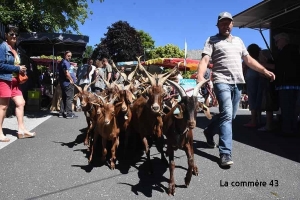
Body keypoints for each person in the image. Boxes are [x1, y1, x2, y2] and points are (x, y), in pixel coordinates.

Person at [197, 12, 275, 166]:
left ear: (232, 24)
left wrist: (264, 70)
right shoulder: (211, 40)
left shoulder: (239, 41)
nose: (226, 25)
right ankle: (225, 153)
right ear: (218, 25)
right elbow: (205, 59)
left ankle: (209, 130)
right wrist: (200, 76)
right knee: (226, 115)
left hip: (238, 82)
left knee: (230, 116)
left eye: (228, 23)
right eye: (222, 23)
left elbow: (248, 59)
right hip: (221, 81)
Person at [0, 24, 36, 141]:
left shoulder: (16, 50)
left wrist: (20, 68)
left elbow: (15, 65)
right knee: (3, 107)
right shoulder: (3, 47)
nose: (14, 36)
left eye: (16, 34)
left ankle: (21, 130)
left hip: (15, 82)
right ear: (6, 35)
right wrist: (17, 69)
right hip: (5, 80)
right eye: (11, 34)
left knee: (21, 103)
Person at [273, 32, 300, 135]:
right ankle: (292, 128)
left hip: (286, 84)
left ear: (283, 40)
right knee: (293, 108)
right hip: (294, 84)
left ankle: (287, 130)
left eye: (277, 41)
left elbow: (279, 67)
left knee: (287, 107)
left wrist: (264, 66)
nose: (276, 44)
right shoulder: (295, 51)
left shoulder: (285, 51)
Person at [243, 44, 264, 127]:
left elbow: (244, 67)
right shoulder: (260, 58)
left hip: (251, 76)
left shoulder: (249, 58)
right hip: (260, 76)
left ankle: (253, 120)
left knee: (252, 98)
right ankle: (258, 118)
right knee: (259, 97)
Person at [58, 51, 78, 119]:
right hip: (67, 83)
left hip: (64, 83)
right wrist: (71, 80)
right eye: (68, 56)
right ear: (65, 55)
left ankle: (61, 112)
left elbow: (69, 72)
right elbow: (66, 73)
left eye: (70, 56)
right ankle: (69, 113)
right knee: (69, 98)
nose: (70, 57)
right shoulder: (65, 62)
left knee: (64, 98)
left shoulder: (65, 62)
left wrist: (74, 77)